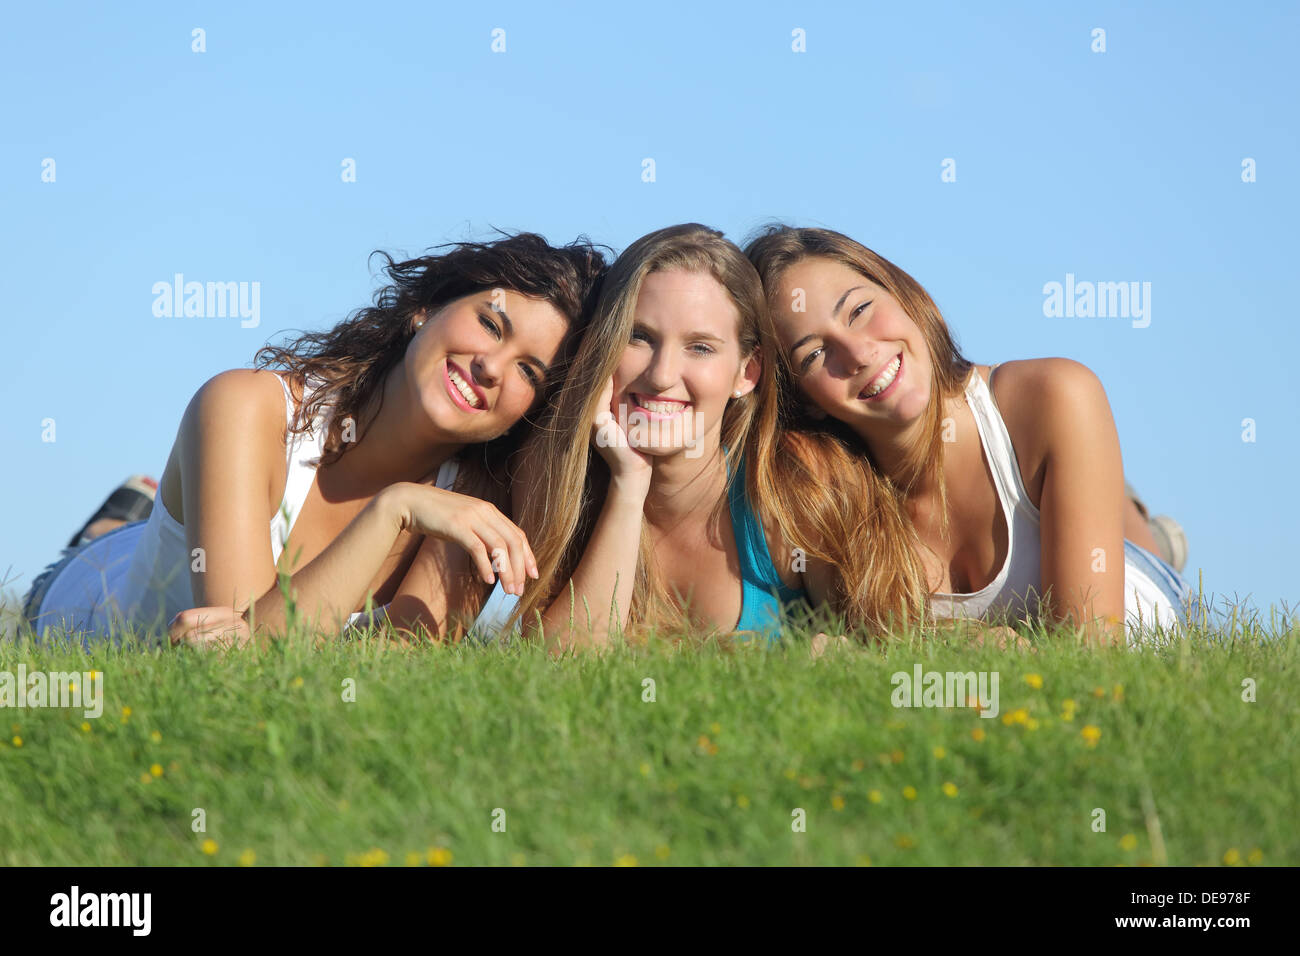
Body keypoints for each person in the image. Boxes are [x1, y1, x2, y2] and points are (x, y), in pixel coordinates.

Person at [23, 233, 609, 647]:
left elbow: (399, 667)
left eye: (530, 372)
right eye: (489, 323)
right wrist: (395, 510)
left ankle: (143, 509)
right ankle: (113, 526)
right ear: (425, 310)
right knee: (104, 554)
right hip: (88, 600)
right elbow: (247, 659)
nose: (491, 367)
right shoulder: (247, 406)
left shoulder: (473, 507)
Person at [744, 225, 1191, 646]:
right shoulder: (821, 490)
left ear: (901, 293)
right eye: (815, 354)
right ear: (803, 401)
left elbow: (1088, 655)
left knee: (1112, 522)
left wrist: (955, 644)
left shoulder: (1056, 393)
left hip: (1144, 587)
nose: (859, 353)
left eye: (860, 310)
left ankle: (1141, 528)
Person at [476, 224, 866, 653]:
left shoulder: (793, 484)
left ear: (747, 372)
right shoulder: (552, 471)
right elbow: (561, 671)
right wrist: (627, 485)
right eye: (638, 337)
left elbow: (871, 649)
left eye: (700, 347)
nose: (661, 375)